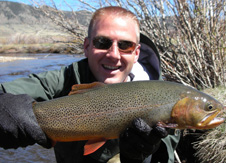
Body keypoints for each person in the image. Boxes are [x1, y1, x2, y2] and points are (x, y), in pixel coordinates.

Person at [0, 6, 180, 163]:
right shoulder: (63, 80)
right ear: (86, 47)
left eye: (125, 45)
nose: (114, 55)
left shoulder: (167, 100)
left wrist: (142, 157)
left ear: (136, 53)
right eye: (102, 42)